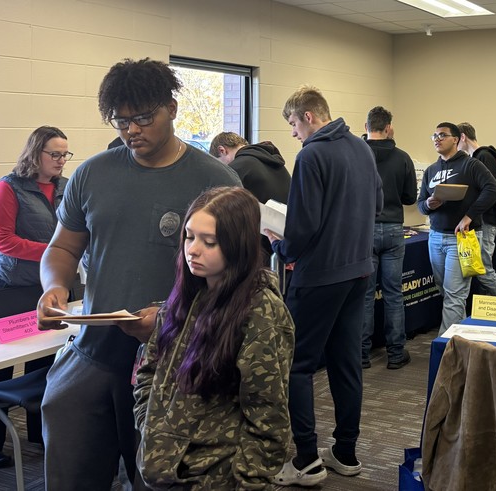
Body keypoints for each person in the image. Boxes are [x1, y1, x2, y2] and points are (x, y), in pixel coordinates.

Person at [35, 58, 241, 490]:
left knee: (161, 480)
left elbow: (237, 282)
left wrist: (166, 317)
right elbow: (63, 247)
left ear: (172, 108)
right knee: (69, 473)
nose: (132, 130)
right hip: (94, 355)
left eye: (144, 118)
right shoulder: (93, 174)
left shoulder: (216, 182)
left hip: (176, 362)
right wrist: (53, 286)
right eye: (122, 120)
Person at [133, 187, 294, 489]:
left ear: (238, 246)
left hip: (218, 476)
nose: (193, 250)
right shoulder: (188, 294)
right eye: (189, 237)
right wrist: (149, 422)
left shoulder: (259, 310)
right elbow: (150, 368)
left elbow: (268, 412)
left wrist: (247, 479)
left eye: (209, 242)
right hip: (166, 466)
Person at [263, 85, 381, 486]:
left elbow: (304, 223)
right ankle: (345, 453)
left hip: (318, 276)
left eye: (293, 123)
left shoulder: (312, 154)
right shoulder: (362, 148)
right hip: (358, 271)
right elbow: (377, 204)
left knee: (296, 366)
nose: (294, 132)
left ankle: (307, 459)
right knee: (346, 364)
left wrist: (282, 243)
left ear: (309, 116)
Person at [0, 126, 70, 468]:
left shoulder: (65, 188)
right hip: (10, 286)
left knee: (45, 363)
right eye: (54, 154)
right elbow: (1, 239)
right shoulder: (9, 187)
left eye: (64, 154)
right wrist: (55, 251)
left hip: (47, 286)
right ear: (35, 154)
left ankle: (38, 436)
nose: (61, 161)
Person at [416, 122, 496, 331]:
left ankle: (446, 346)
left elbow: (493, 189)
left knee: (454, 294)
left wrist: (469, 216)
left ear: (456, 139)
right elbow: (421, 204)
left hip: (462, 238)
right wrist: (428, 204)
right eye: (434, 136)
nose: (437, 139)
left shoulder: (471, 165)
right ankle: (461, 338)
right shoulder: (431, 170)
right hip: (435, 237)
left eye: (442, 135)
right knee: (447, 292)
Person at [362, 106, 417, 370]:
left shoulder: (356, 155)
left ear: (366, 127)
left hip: (364, 231)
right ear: (389, 128)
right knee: (394, 293)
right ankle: (396, 353)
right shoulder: (403, 158)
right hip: (395, 228)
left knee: (364, 295)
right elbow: (410, 198)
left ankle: (361, 354)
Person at [209, 132, 292, 263]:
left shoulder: (237, 168)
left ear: (222, 150)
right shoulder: (274, 161)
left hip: (260, 249)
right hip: (285, 242)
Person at [457, 122, 496, 296]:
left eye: (457, 141)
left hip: (487, 219)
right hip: (483, 219)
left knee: (484, 268)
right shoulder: (480, 158)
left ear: (462, 137)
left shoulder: (483, 157)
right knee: (481, 268)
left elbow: (493, 189)